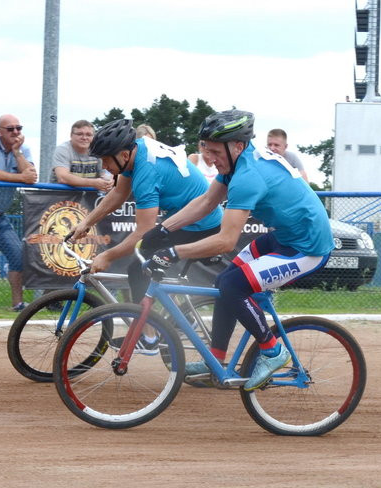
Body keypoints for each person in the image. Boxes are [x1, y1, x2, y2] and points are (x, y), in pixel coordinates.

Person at [140, 110, 333, 390]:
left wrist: (173, 252)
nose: (210, 158)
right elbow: (206, 201)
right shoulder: (236, 165)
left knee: (232, 285)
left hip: (308, 248)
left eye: (216, 151)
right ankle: (214, 360)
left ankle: (273, 351)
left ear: (237, 146)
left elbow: (225, 241)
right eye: (207, 150)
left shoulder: (247, 176)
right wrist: (163, 230)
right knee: (223, 282)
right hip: (284, 237)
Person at [66, 118, 223, 308]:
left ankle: (148, 334)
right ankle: (165, 322)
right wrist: (86, 223)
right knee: (149, 265)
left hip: (201, 224)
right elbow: (118, 193)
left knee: (139, 269)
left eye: (106, 160)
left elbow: (143, 232)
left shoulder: (146, 173)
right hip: (189, 218)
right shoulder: (136, 150)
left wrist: (107, 256)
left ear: (123, 155)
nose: (104, 166)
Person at [0, 114, 38, 311]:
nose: (16, 132)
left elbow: (32, 176)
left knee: (18, 256)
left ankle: (17, 304)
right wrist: (20, 177)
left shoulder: (23, 148)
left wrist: (17, 152)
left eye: (18, 128)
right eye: (10, 129)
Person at [51, 119, 112, 192]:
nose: (84, 138)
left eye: (88, 135)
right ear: (71, 135)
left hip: (89, 198)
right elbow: (63, 177)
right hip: (60, 197)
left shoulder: (98, 151)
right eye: (79, 134)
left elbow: (106, 174)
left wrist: (108, 181)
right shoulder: (63, 150)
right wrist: (94, 183)